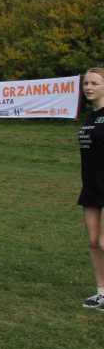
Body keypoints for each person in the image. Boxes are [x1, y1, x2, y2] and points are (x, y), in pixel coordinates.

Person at [77, 68, 104, 310]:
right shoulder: (90, 117)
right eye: (86, 83)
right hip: (91, 187)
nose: (88, 87)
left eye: (94, 83)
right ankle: (101, 292)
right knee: (94, 241)